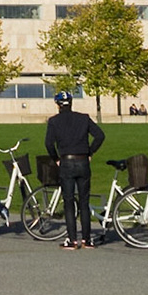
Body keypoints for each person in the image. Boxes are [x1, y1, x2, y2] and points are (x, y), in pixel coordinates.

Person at [44, 90, 105, 249]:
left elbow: (49, 144)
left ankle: (72, 239)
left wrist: (56, 158)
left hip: (66, 161)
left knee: (69, 202)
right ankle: (87, 239)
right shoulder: (83, 118)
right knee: (84, 202)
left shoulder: (54, 121)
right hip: (83, 160)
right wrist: (90, 151)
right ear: (71, 103)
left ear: (57, 105)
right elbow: (99, 136)